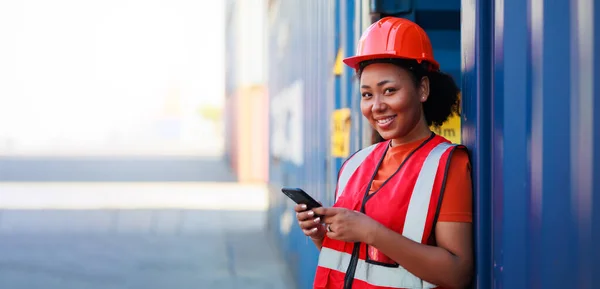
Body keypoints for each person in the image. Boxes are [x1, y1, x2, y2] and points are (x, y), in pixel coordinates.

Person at [294, 17, 473, 289]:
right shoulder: (356, 163)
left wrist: (371, 232)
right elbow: (359, 265)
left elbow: (457, 274)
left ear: (422, 89)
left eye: (389, 91)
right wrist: (323, 236)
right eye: (367, 95)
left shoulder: (448, 164)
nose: (377, 106)